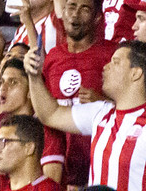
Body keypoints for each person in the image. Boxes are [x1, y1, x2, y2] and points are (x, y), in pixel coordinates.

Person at [24, 41, 146, 191]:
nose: (106, 67)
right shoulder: (100, 113)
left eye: (116, 62)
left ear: (136, 73)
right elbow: (51, 114)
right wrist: (34, 76)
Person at [42, 0, 116, 186]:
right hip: (56, 163)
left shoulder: (112, 55)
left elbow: (132, 104)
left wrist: (103, 102)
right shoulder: (53, 56)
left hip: (96, 161)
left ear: (97, 18)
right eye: (71, 7)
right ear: (63, 12)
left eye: (84, 9)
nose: (75, 14)